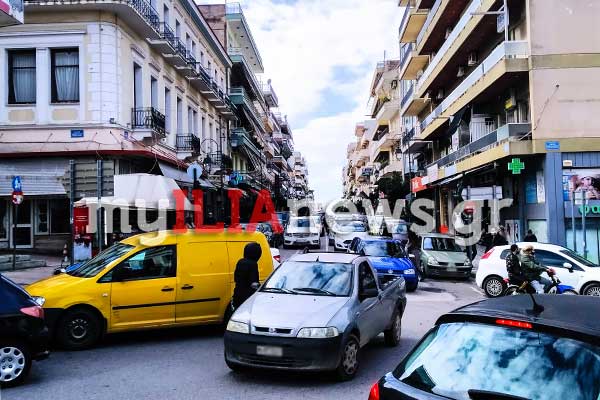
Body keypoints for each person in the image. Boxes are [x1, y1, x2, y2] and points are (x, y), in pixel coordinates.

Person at [232, 242, 262, 309]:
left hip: (237, 293)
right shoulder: (252, 264)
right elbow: (253, 283)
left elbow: (236, 277)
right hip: (246, 297)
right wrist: (262, 287)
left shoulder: (240, 261)